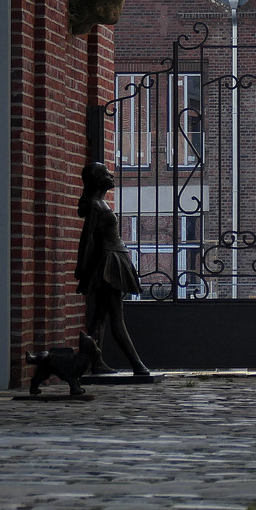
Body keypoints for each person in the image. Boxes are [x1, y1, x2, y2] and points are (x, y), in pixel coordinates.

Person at [75, 161, 149, 376]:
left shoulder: (101, 204)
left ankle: (93, 361)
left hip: (113, 258)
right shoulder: (95, 205)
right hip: (108, 262)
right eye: (107, 174)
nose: (112, 176)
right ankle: (137, 364)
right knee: (116, 316)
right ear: (97, 180)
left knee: (100, 315)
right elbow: (87, 238)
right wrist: (82, 265)